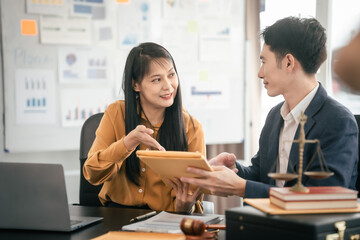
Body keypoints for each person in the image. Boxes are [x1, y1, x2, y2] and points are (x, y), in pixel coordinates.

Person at [181, 17, 359, 198]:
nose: (260, 73)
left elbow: (322, 197)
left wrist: (242, 187)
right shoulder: (275, 115)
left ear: (288, 62)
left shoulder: (338, 121)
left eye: (264, 62)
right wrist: (233, 171)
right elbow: (261, 176)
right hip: (272, 224)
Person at [83, 42, 206, 213]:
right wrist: (128, 143)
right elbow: (92, 173)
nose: (168, 86)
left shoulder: (192, 128)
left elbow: (194, 191)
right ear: (136, 85)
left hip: (168, 217)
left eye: (171, 75)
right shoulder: (116, 113)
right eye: (157, 79)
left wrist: (183, 206)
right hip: (117, 214)